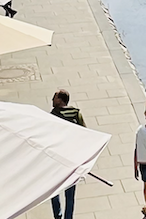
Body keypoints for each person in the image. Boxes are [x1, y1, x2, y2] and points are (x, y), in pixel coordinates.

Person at [51, 89, 85, 219]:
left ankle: (57, 215)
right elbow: (85, 133)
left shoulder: (53, 115)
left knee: (54, 191)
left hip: (56, 159)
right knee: (70, 194)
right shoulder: (76, 114)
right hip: (73, 158)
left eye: (55, 97)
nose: (52, 100)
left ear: (61, 100)